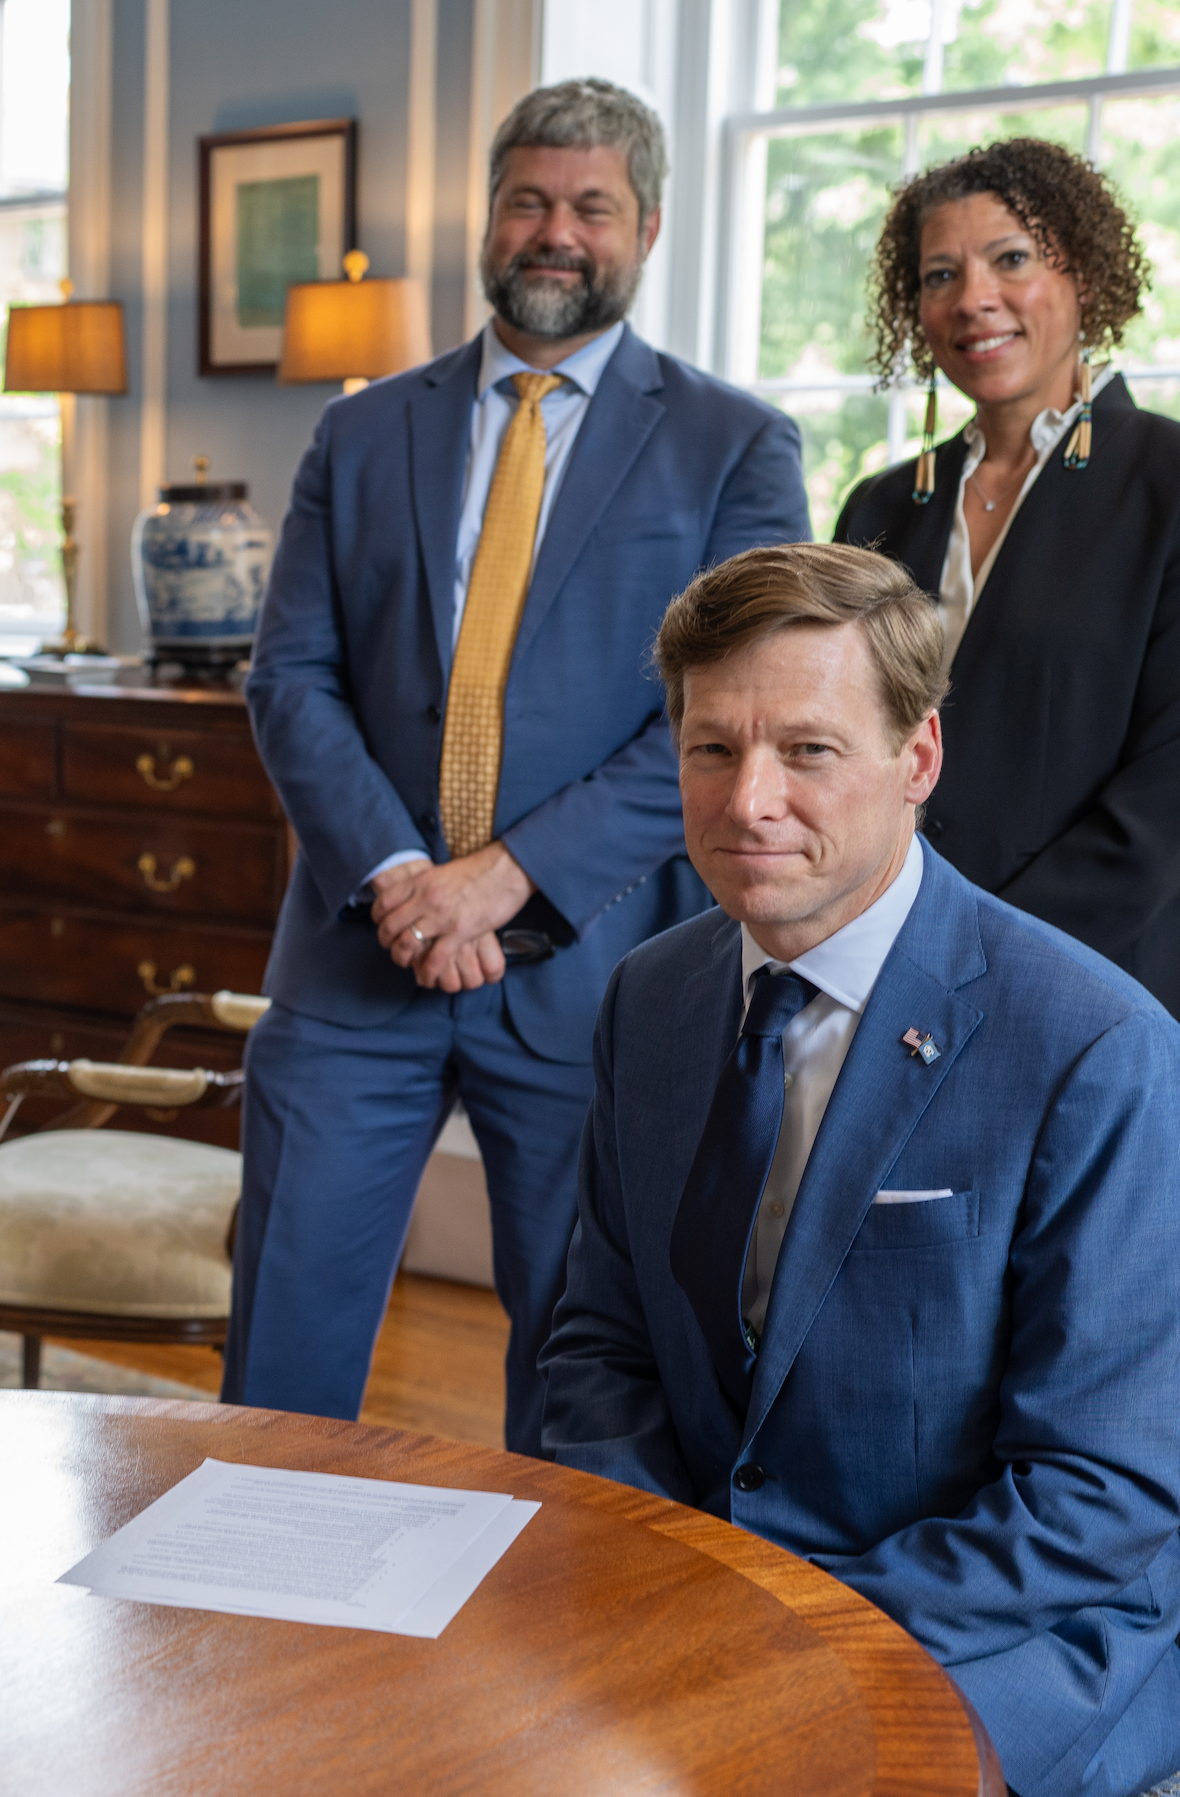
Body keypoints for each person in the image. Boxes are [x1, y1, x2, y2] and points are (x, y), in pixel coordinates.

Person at [542, 542, 1180, 1797]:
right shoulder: (652, 998)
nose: (748, 801)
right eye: (710, 750)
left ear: (918, 761)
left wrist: (779, 1626)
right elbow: (598, 1350)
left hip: (995, 1642)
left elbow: (1096, 1503)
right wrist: (666, 1587)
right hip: (699, 1606)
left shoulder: (1096, 1049)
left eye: (808, 751)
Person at [235, 80, 808, 1453]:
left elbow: (718, 716)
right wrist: (400, 879)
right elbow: (291, 680)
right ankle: (235, 1619)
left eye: (590, 206)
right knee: (282, 1339)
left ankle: (547, 1650)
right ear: (489, 219)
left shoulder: (736, 448)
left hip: (595, 968)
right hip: (357, 955)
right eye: (529, 201)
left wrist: (501, 881)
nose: (556, 231)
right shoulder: (362, 435)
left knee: (583, 1359)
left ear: (647, 227)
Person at [834, 138, 1180, 1112]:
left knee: (1101, 1271)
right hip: (881, 996)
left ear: (1081, 268)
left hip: (1094, 992)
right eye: (940, 274)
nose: (973, 297)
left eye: (1011, 259)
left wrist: (962, 960)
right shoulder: (878, 506)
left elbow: (1176, 798)